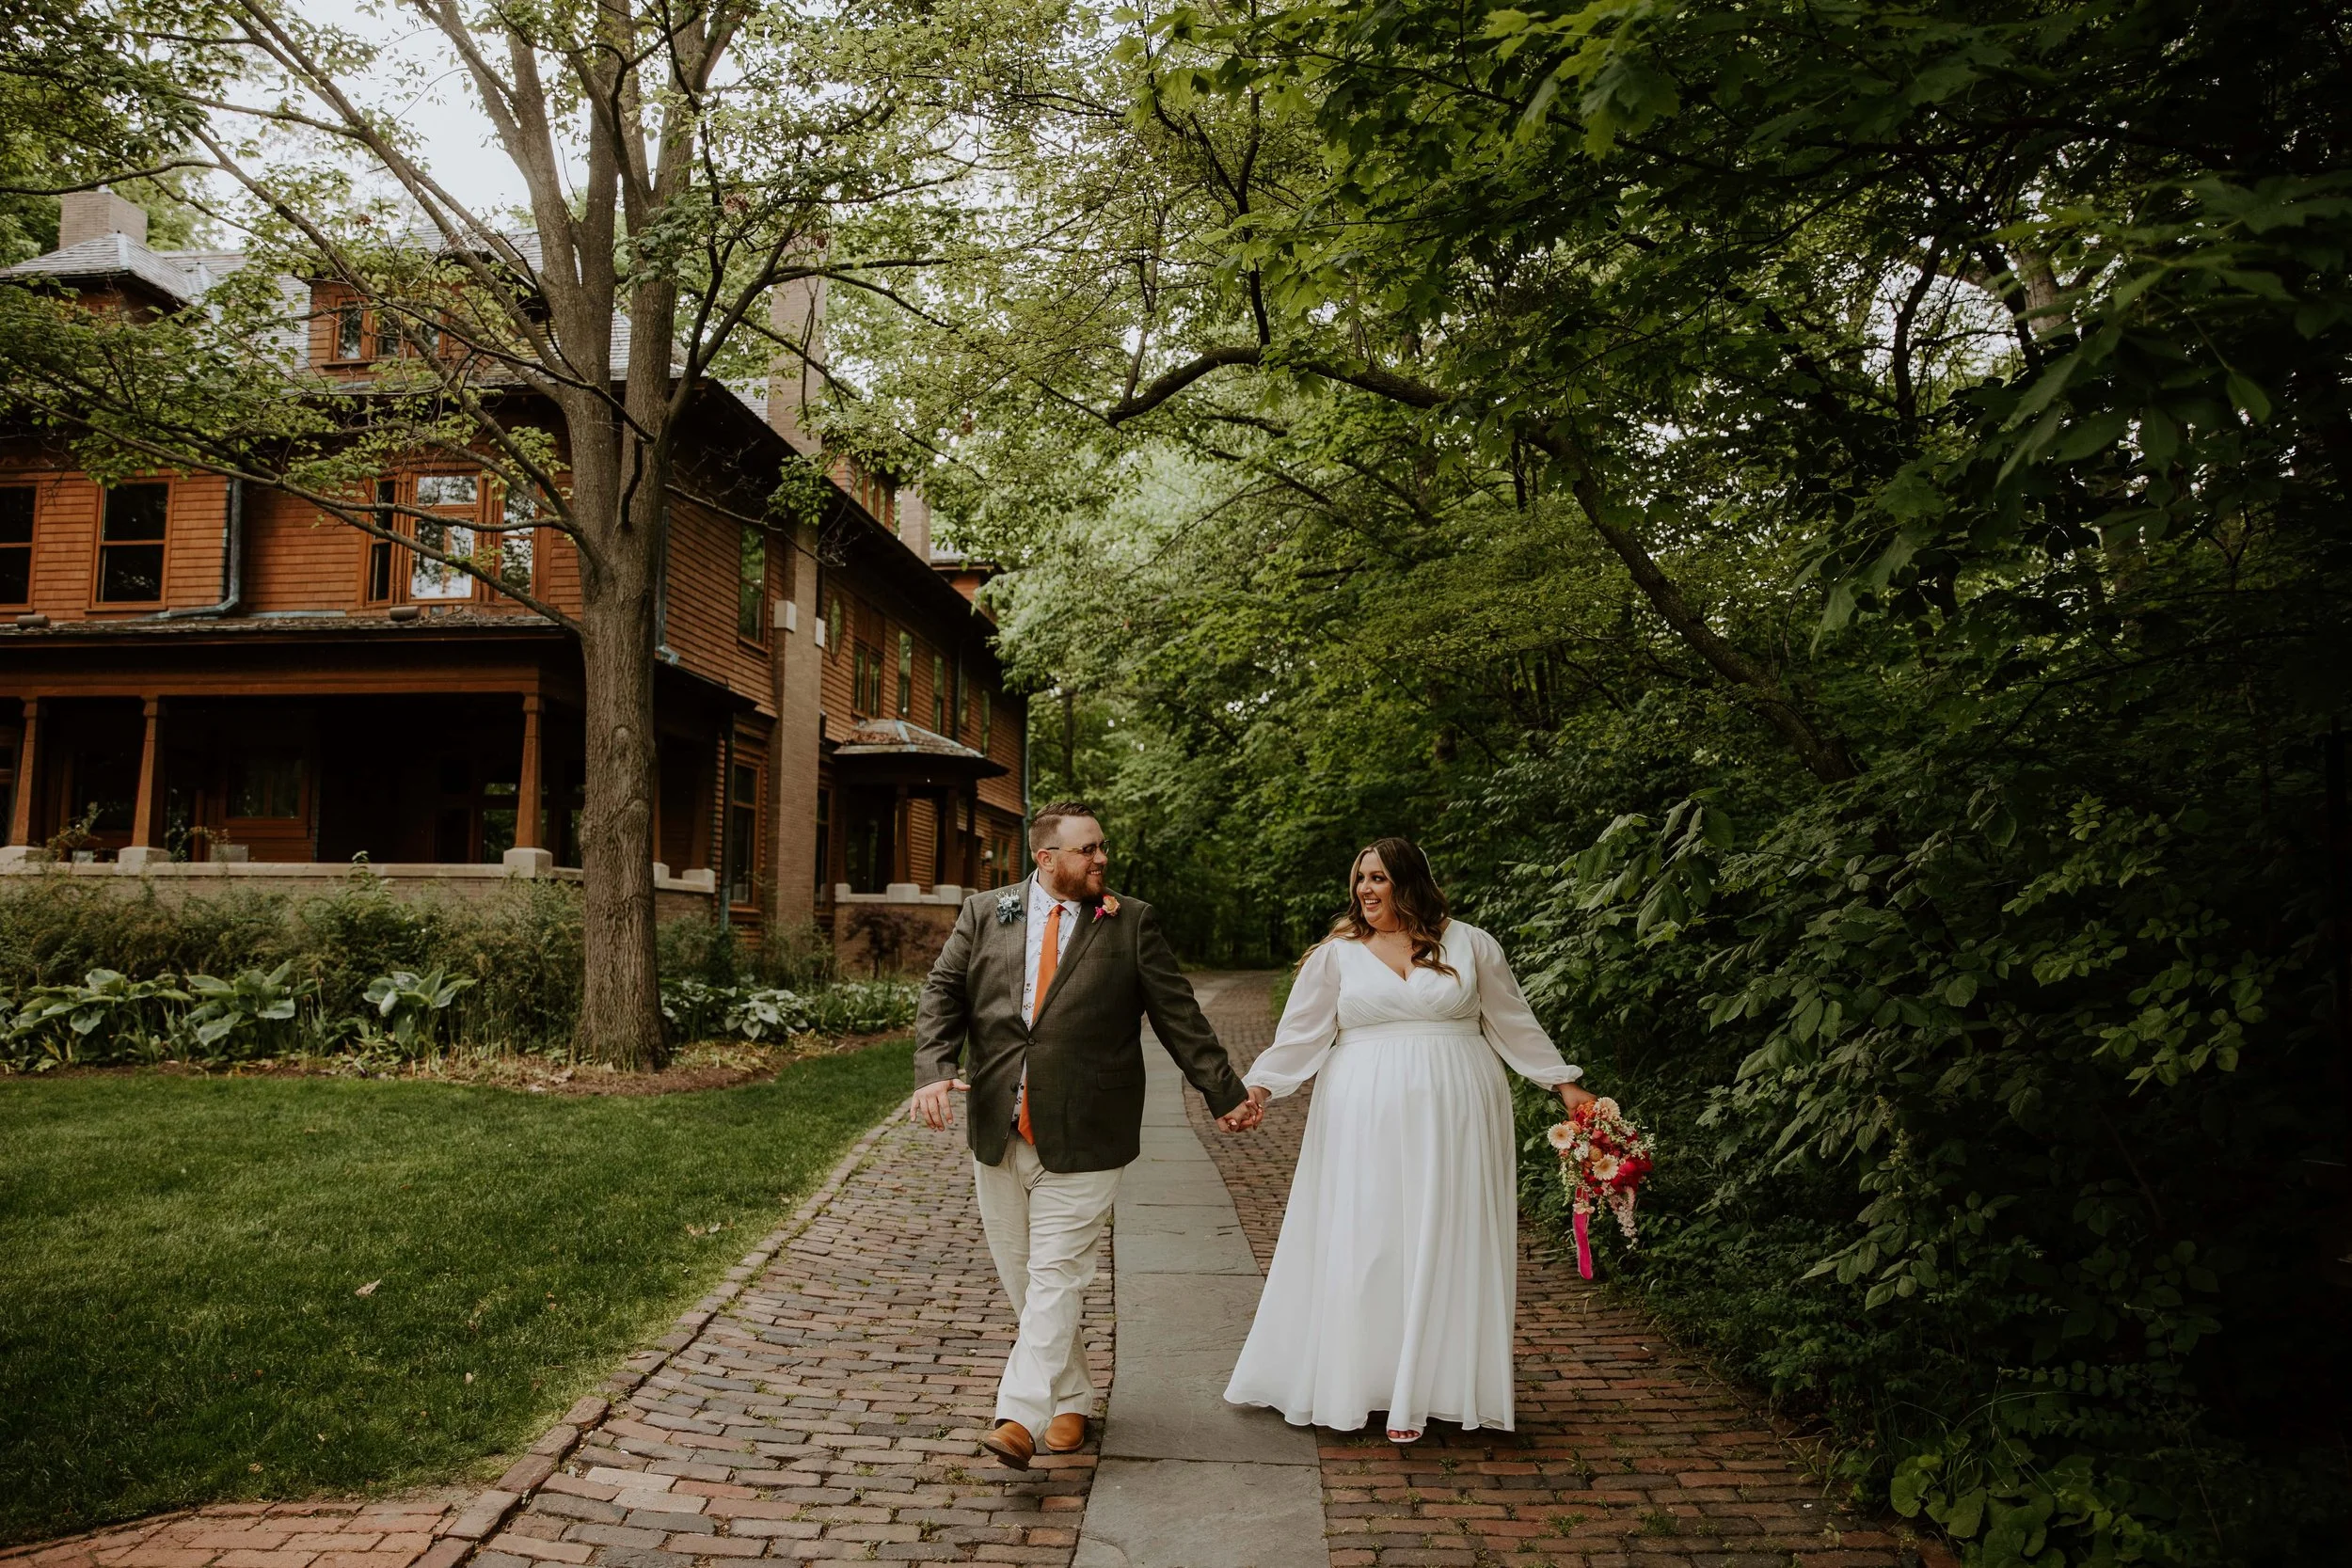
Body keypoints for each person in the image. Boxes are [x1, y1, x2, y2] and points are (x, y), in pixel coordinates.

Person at [913, 800, 1262, 1470]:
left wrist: (1223, 1090)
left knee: (1058, 1274)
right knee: (1027, 1280)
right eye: (1086, 850)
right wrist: (933, 1069)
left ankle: (1017, 1414)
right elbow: (942, 993)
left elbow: (1178, 1013)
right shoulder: (988, 912)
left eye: (1102, 847)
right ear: (1045, 859)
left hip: (1090, 1130)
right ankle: (1070, 1395)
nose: (1101, 859)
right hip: (1000, 1127)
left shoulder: (1129, 922)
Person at [1223, 836, 1597, 1442]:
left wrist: (1564, 1085)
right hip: (1360, 1112)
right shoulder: (1337, 955)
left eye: (1379, 878)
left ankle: (1436, 1388)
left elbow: (1512, 1021)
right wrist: (1260, 1089)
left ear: (1409, 881)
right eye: (1360, 880)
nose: (1366, 891)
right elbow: (1301, 1035)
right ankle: (1364, 1383)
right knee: (1371, 1238)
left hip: (1460, 1109)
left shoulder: (1471, 944)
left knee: (1449, 1235)